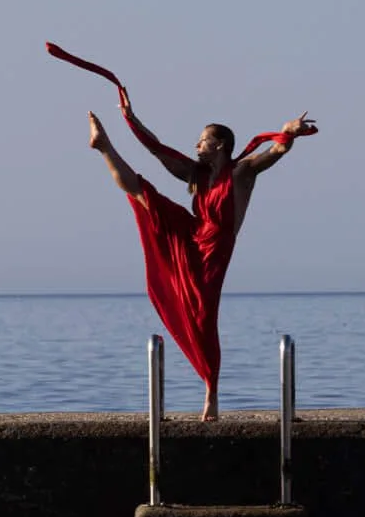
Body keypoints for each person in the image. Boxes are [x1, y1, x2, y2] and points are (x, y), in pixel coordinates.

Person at [88, 94, 313, 420]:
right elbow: (158, 149)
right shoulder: (196, 175)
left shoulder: (243, 171)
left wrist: (288, 131)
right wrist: (131, 119)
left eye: (203, 140)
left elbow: (277, 150)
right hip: (193, 235)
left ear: (220, 145)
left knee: (205, 318)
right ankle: (104, 146)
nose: (196, 145)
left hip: (214, 251)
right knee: (142, 193)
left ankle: (211, 392)